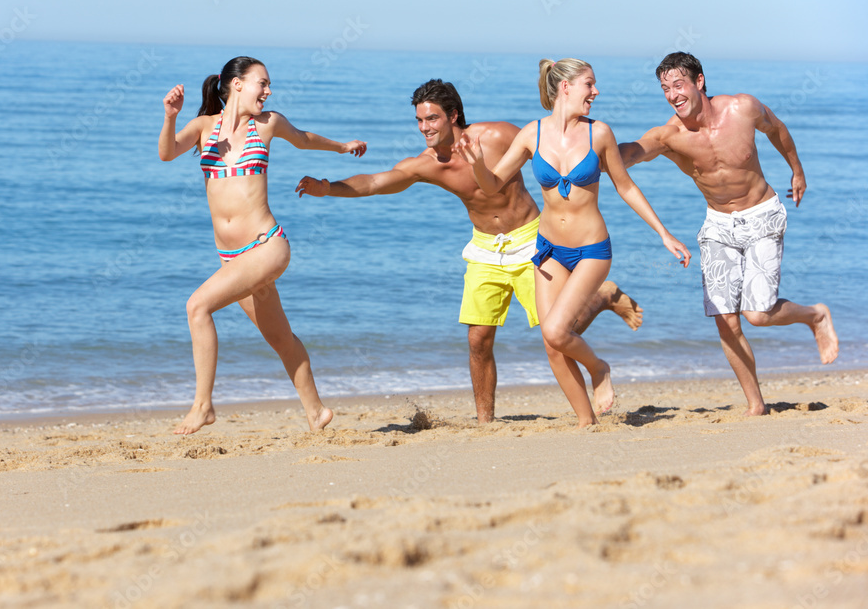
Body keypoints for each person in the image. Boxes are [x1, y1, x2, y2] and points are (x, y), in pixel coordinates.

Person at [295, 79, 644, 423]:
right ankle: (484, 422)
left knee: (556, 335)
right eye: (419, 120)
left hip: (530, 239)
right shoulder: (428, 164)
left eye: (431, 118)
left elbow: (558, 146)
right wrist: (327, 188)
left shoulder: (497, 136)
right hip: (485, 249)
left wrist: (609, 155)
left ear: (453, 115)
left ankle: (600, 301)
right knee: (478, 338)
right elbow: (374, 182)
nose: (423, 128)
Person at [456, 59, 690, 428]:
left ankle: (599, 368)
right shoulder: (531, 134)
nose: (595, 92)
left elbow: (625, 186)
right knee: (553, 343)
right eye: (589, 84)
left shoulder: (599, 133)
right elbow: (492, 184)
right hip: (549, 248)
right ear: (565, 87)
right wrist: (477, 164)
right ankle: (586, 421)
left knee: (555, 330)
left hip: (591, 250)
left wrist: (663, 232)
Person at [619, 52, 838, 416]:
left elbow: (777, 129)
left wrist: (797, 171)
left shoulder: (743, 108)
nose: (672, 94)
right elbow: (631, 152)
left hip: (762, 215)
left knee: (758, 314)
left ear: (699, 81)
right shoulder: (669, 136)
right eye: (664, 89)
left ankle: (815, 316)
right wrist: (593, 148)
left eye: (678, 85)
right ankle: (756, 405)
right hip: (718, 226)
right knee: (726, 319)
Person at [158, 56, 367, 435]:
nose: (268, 91)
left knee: (197, 306)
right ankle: (317, 412)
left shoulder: (268, 124)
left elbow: (304, 140)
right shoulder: (205, 127)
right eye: (262, 83)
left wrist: (342, 147)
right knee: (280, 339)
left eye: (268, 85)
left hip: (267, 246)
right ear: (237, 84)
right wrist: (171, 115)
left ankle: (202, 406)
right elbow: (167, 151)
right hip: (232, 259)